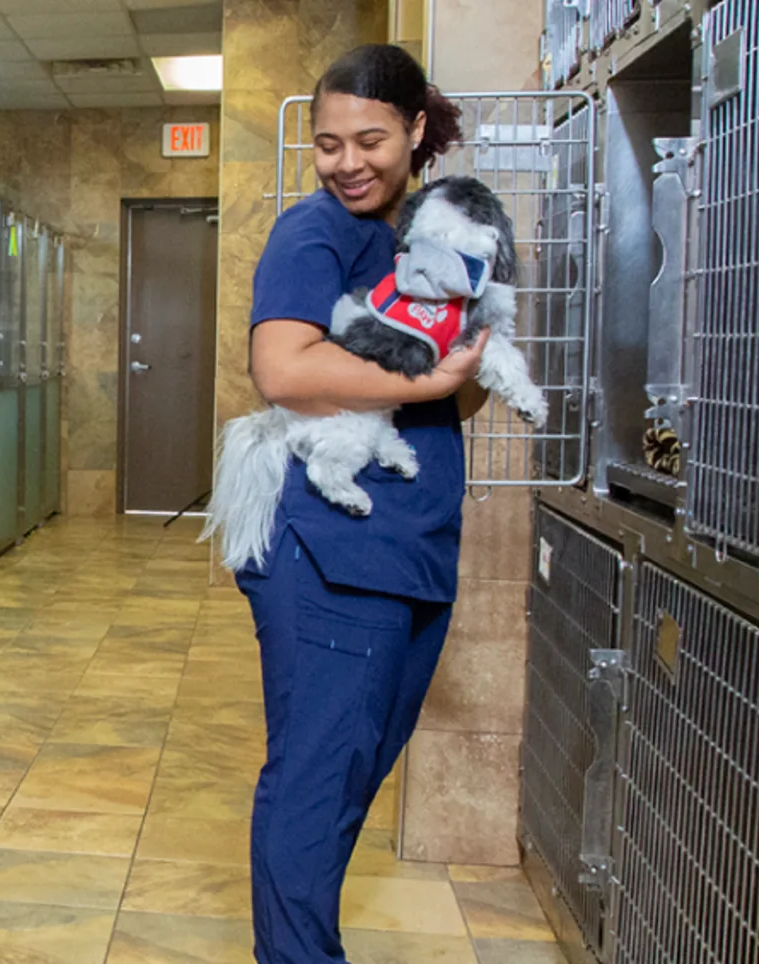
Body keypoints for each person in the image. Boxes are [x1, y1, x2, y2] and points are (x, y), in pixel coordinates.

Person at [236, 44, 490, 963]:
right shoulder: (316, 234)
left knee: (346, 782)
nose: (347, 162)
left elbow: (463, 385)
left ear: (417, 130)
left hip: (409, 550)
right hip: (334, 555)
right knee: (312, 789)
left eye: (370, 140)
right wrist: (430, 377)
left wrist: (465, 364)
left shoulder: (425, 229)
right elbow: (283, 368)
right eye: (328, 143)